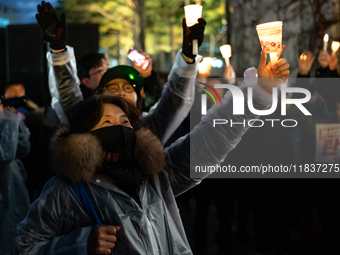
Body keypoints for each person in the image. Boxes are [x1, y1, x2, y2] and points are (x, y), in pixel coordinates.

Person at [13, 42, 290, 254]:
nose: (119, 127)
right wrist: (80, 244)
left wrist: (257, 91)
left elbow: (212, 136)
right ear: (86, 135)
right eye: (107, 122)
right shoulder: (66, 191)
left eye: (125, 121)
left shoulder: (157, 174)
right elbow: (24, 246)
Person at [37, 1, 204, 145]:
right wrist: (58, 50)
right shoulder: (87, 123)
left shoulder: (149, 128)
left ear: (139, 97)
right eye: (113, 88)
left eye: (128, 88)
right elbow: (67, 95)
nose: (121, 92)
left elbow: (174, 101)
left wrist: (188, 58)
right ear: (100, 95)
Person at [0, 102, 31, 255]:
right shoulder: (5, 122)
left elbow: (23, 149)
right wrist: (9, 121)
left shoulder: (5, 121)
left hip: (13, 186)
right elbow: (6, 153)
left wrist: (15, 122)